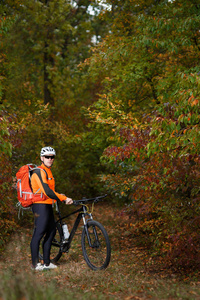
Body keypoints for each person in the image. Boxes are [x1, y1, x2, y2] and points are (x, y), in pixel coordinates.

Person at [30, 146, 73, 270]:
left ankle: (46, 263)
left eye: (52, 157)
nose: (50, 159)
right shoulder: (38, 171)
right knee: (39, 233)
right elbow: (47, 191)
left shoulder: (48, 171)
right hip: (39, 206)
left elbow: (50, 191)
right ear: (41, 158)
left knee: (52, 231)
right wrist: (63, 198)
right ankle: (35, 264)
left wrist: (60, 195)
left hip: (47, 205)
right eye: (47, 157)